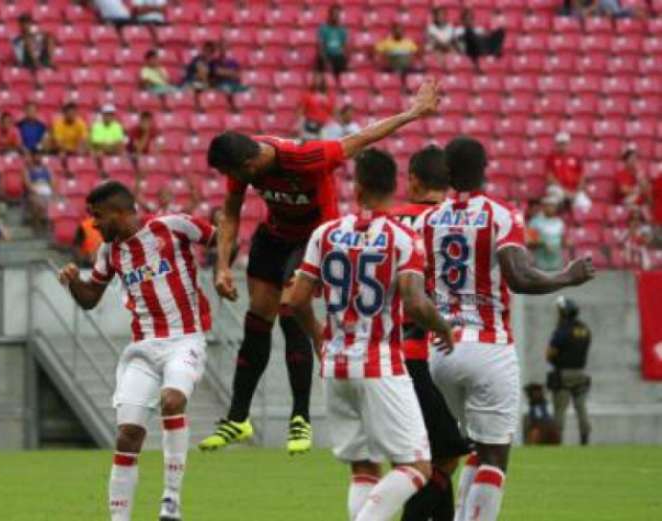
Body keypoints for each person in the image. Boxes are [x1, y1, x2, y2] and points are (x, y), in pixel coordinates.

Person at [197, 79, 442, 455]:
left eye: (233, 174)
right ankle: (238, 417)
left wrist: (412, 114)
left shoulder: (305, 156)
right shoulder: (240, 164)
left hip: (312, 240)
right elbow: (229, 213)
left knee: (290, 309)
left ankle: (300, 418)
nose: (232, 181)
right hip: (274, 237)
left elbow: (361, 138)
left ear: (248, 164)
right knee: (256, 320)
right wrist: (223, 267)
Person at [414, 136, 595, 521]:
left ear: (447, 172)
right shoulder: (500, 214)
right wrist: (567, 276)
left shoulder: (427, 220)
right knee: (495, 454)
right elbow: (519, 277)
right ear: (485, 169)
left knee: (472, 450)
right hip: (489, 345)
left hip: (442, 351)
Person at [288, 148, 455, 521]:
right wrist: (443, 327)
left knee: (363, 467)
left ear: (358, 187)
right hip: (381, 364)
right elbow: (414, 302)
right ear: (395, 186)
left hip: (335, 365)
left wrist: (317, 337)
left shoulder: (325, 233)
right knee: (417, 468)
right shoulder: (402, 238)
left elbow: (297, 299)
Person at [57, 181, 216, 521]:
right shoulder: (110, 253)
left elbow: (221, 236)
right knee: (127, 435)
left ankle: (171, 501)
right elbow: (90, 300)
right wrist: (73, 281)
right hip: (142, 349)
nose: (94, 225)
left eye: (98, 217)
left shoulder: (171, 227)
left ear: (120, 212)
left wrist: (226, 270)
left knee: (172, 400)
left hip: (184, 339)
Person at [390, 145, 471, 521]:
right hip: (432, 353)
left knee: (429, 455)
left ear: (415, 180)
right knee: (445, 456)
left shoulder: (388, 223)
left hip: (387, 354)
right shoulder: (456, 223)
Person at [546, 296, 593, 445]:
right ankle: (584, 439)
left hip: (563, 374)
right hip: (580, 373)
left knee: (559, 409)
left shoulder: (562, 330)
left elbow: (549, 353)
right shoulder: (584, 329)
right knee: (581, 408)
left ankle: (557, 440)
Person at [545, 132, 588, 210]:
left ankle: (578, 221)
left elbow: (582, 176)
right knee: (555, 196)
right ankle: (555, 221)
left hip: (574, 189)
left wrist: (577, 190)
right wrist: (565, 191)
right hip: (558, 188)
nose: (562, 146)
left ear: (569, 144)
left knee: (585, 204)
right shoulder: (551, 158)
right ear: (556, 144)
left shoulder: (575, 157)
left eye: (565, 143)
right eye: (560, 144)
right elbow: (550, 178)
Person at [527, 195, 566, 271]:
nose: (551, 208)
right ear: (543, 207)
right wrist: (543, 244)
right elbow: (530, 242)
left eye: (553, 206)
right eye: (548, 205)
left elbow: (562, 241)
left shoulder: (560, 222)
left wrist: (566, 242)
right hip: (540, 265)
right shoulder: (534, 222)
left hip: (557, 264)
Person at [316, 4, 348, 87]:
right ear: (329, 15)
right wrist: (325, 61)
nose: (336, 17)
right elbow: (320, 46)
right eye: (334, 14)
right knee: (321, 61)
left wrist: (346, 59)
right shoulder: (323, 28)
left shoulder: (342, 30)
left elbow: (345, 47)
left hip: (338, 57)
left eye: (337, 15)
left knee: (343, 63)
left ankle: (340, 86)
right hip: (326, 56)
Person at [210, 41, 247, 110]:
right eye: (220, 48)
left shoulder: (233, 61)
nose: (222, 50)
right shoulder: (214, 61)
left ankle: (233, 107)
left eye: (224, 48)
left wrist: (228, 73)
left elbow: (238, 75)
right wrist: (230, 73)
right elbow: (217, 72)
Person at [298, 73, 336, 140]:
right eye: (316, 79)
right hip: (310, 125)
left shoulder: (329, 96)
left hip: (325, 126)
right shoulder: (308, 95)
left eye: (320, 80)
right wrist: (301, 124)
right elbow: (301, 111)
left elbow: (332, 112)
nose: (318, 82)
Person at [24, 152, 54, 231]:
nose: (38, 158)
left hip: (47, 190)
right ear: (32, 158)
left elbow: (52, 181)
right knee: (37, 203)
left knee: (53, 203)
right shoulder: (28, 170)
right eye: (36, 156)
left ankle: (49, 226)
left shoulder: (47, 169)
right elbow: (27, 183)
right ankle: (37, 225)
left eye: (39, 156)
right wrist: (34, 190)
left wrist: (51, 190)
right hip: (35, 190)